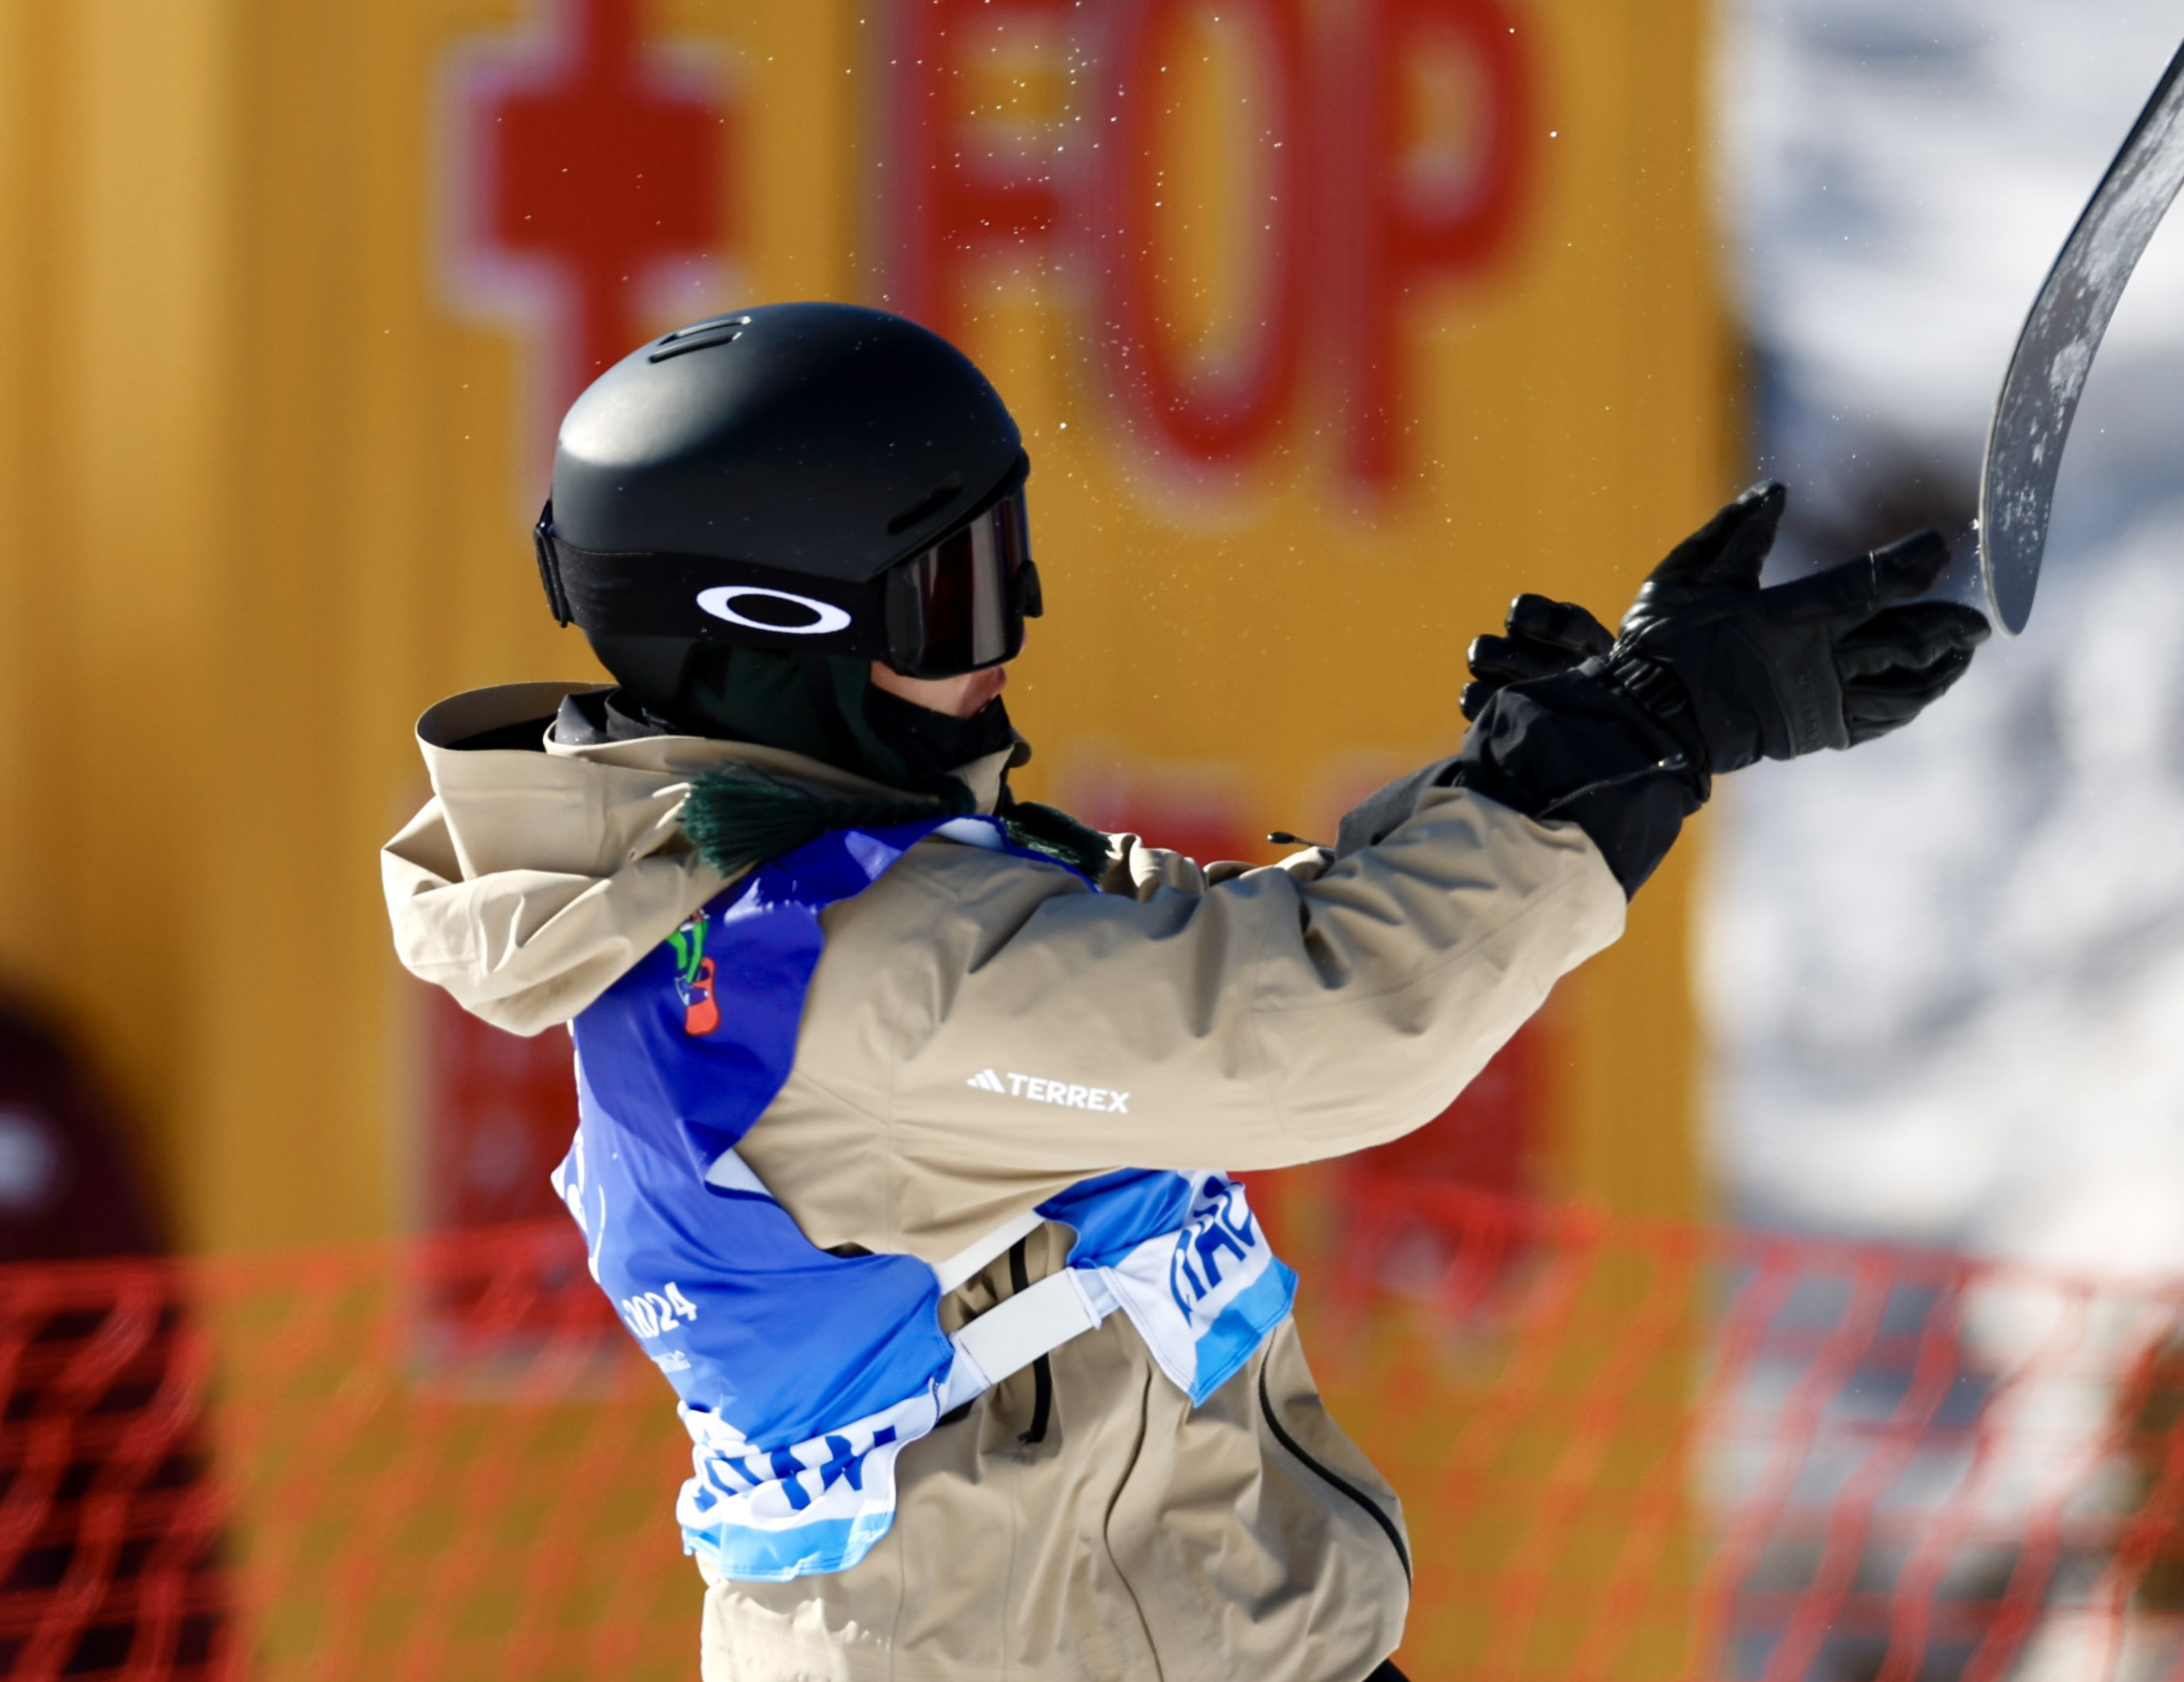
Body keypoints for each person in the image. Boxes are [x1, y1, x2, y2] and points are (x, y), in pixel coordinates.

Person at [380, 301, 1984, 1682]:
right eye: (957, 595)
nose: (1013, 635)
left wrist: (1540, 767)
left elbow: (1194, 966)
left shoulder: (790, 888)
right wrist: (1642, 742)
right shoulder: (866, 967)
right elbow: (1325, 1025)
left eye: (1009, 563)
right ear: (781, 636)